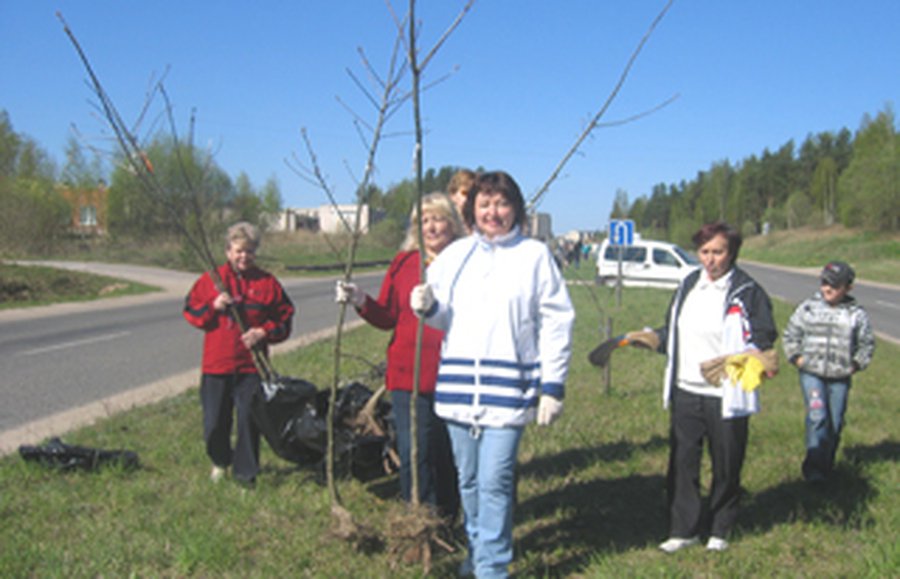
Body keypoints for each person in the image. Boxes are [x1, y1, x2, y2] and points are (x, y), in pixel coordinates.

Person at [410, 171, 574, 578]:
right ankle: (477, 554)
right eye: (484, 204)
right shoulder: (455, 256)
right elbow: (442, 319)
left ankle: (492, 569)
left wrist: (552, 385)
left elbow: (557, 320)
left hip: (509, 390)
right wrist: (427, 307)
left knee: (495, 482)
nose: (493, 212)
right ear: (472, 209)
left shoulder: (534, 256)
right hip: (459, 390)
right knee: (468, 482)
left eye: (501, 204)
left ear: (515, 207)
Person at [628, 221, 778, 553]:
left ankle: (721, 527)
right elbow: (674, 330)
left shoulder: (747, 291)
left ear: (732, 252)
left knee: (726, 461)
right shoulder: (688, 285)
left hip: (725, 392)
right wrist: (653, 338)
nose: (710, 260)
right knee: (683, 462)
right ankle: (684, 530)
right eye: (705, 252)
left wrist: (740, 359)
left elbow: (764, 336)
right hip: (686, 388)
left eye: (718, 252)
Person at [335, 192, 464, 521]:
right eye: (423, 221)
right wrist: (360, 300)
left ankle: (447, 519)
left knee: (447, 453)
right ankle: (417, 519)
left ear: (452, 223)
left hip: (455, 372)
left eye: (437, 219)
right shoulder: (405, 262)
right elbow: (387, 315)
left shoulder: (466, 261)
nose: (431, 227)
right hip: (410, 373)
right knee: (414, 453)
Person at [183, 222, 294, 486]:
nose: (244, 256)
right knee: (214, 424)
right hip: (216, 366)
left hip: (251, 369)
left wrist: (263, 332)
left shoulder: (267, 283)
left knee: (248, 422)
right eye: (238, 251)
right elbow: (191, 311)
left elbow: (285, 320)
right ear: (227, 251)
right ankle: (221, 461)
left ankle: (246, 476)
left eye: (250, 251)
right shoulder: (212, 280)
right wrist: (214, 306)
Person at [782, 260, 875, 483]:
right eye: (824, 283)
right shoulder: (808, 308)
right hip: (811, 373)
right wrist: (797, 357)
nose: (827, 289)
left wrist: (856, 364)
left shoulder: (856, 314)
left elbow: (866, 344)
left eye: (834, 285)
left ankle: (826, 465)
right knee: (818, 417)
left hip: (840, 377)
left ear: (848, 287)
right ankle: (813, 470)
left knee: (834, 420)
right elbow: (790, 335)